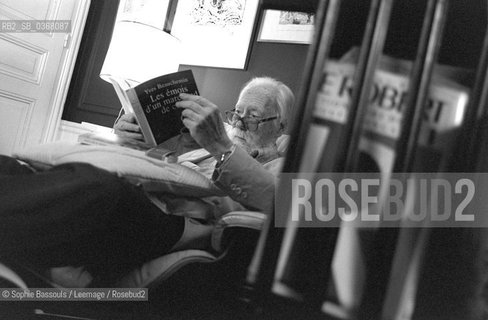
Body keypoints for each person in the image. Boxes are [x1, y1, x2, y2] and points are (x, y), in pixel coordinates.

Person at [0, 76, 294, 286]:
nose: (238, 124)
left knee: (102, 190)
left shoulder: (284, 164)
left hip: (168, 222)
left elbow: (287, 207)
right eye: (237, 113)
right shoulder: (204, 144)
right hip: (130, 196)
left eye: (253, 117)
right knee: (11, 168)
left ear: (280, 126)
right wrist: (128, 139)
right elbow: (157, 169)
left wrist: (222, 148)